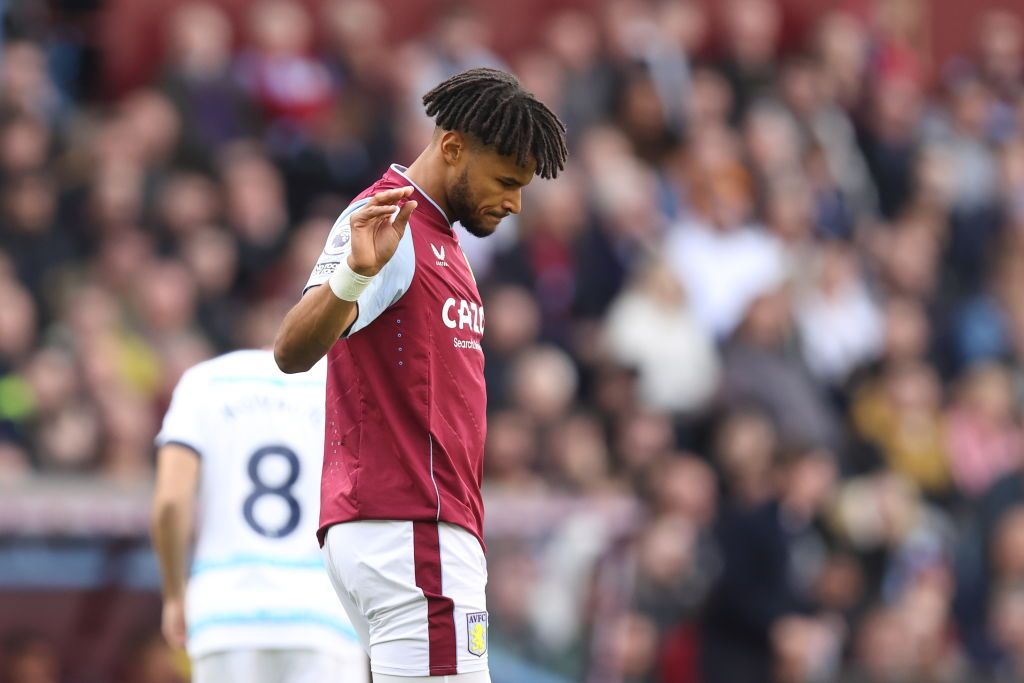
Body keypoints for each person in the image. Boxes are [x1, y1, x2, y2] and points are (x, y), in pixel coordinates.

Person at [274, 67, 567, 682]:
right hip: (412, 529)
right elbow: (292, 349)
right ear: (454, 147)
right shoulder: (389, 223)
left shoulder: (439, 234)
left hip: (403, 532)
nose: (515, 203)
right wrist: (352, 275)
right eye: (507, 182)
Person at [150, 349, 368, 683]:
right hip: (323, 615)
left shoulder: (202, 382)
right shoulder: (347, 382)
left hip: (224, 614)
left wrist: (175, 595)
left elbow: (170, 501)